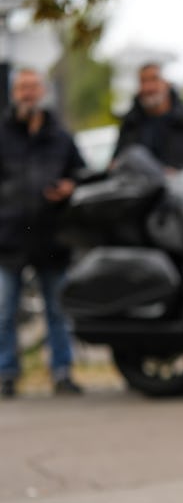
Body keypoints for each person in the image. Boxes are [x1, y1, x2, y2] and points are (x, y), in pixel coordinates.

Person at [0, 68, 86, 397]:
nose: (27, 94)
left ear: (43, 92)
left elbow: (80, 173)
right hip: (8, 237)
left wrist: (70, 187)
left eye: (33, 87)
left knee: (58, 310)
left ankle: (62, 372)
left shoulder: (60, 137)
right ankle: (6, 373)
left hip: (51, 237)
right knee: (5, 311)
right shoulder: (3, 134)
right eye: (22, 88)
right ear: (13, 93)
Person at [112, 63, 183, 172]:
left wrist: (176, 172)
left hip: (179, 185)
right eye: (143, 81)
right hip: (138, 186)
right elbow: (115, 162)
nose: (149, 88)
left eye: (154, 80)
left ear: (167, 84)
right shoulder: (130, 123)